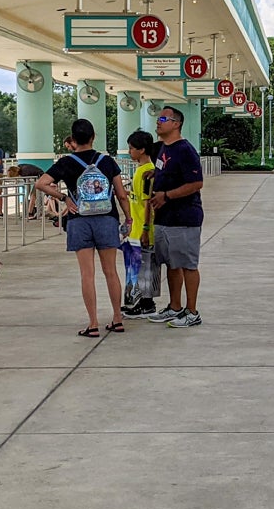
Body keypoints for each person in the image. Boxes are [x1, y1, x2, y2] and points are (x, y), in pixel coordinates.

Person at [36, 119, 130, 337]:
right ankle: (117, 318)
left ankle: (93, 323)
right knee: (111, 272)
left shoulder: (66, 162)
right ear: (93, 137)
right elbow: (121, 193)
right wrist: (129, 218)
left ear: (73, 139)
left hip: (79, 220)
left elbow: (40, 183)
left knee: (87, 274)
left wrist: (64, 198)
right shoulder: (107, 161)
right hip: (107, 218)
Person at [145, 106, 205, 327]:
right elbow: (168, 170)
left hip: (184, 217)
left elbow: (197, 183)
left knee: (187, 263)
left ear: (176, 123)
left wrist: (167, 195)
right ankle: (174, 306)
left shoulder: (185, 150)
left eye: (162, 118)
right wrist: (156, 173)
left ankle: (192, 311)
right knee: (171, 263)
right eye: (158, 118)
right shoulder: (163, 149)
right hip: (164, 216)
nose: (158, 122)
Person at [121, 129, 159, 318]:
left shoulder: (146, 172)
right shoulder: (140, 171)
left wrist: (145, 228)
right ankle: (136, 302)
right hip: (134, 228)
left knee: (144, 268)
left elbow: (147, 203)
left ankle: (145, 303)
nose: (129, 151)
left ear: (142, 150)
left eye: (131, 148)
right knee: (136, 267)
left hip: (143, 229)